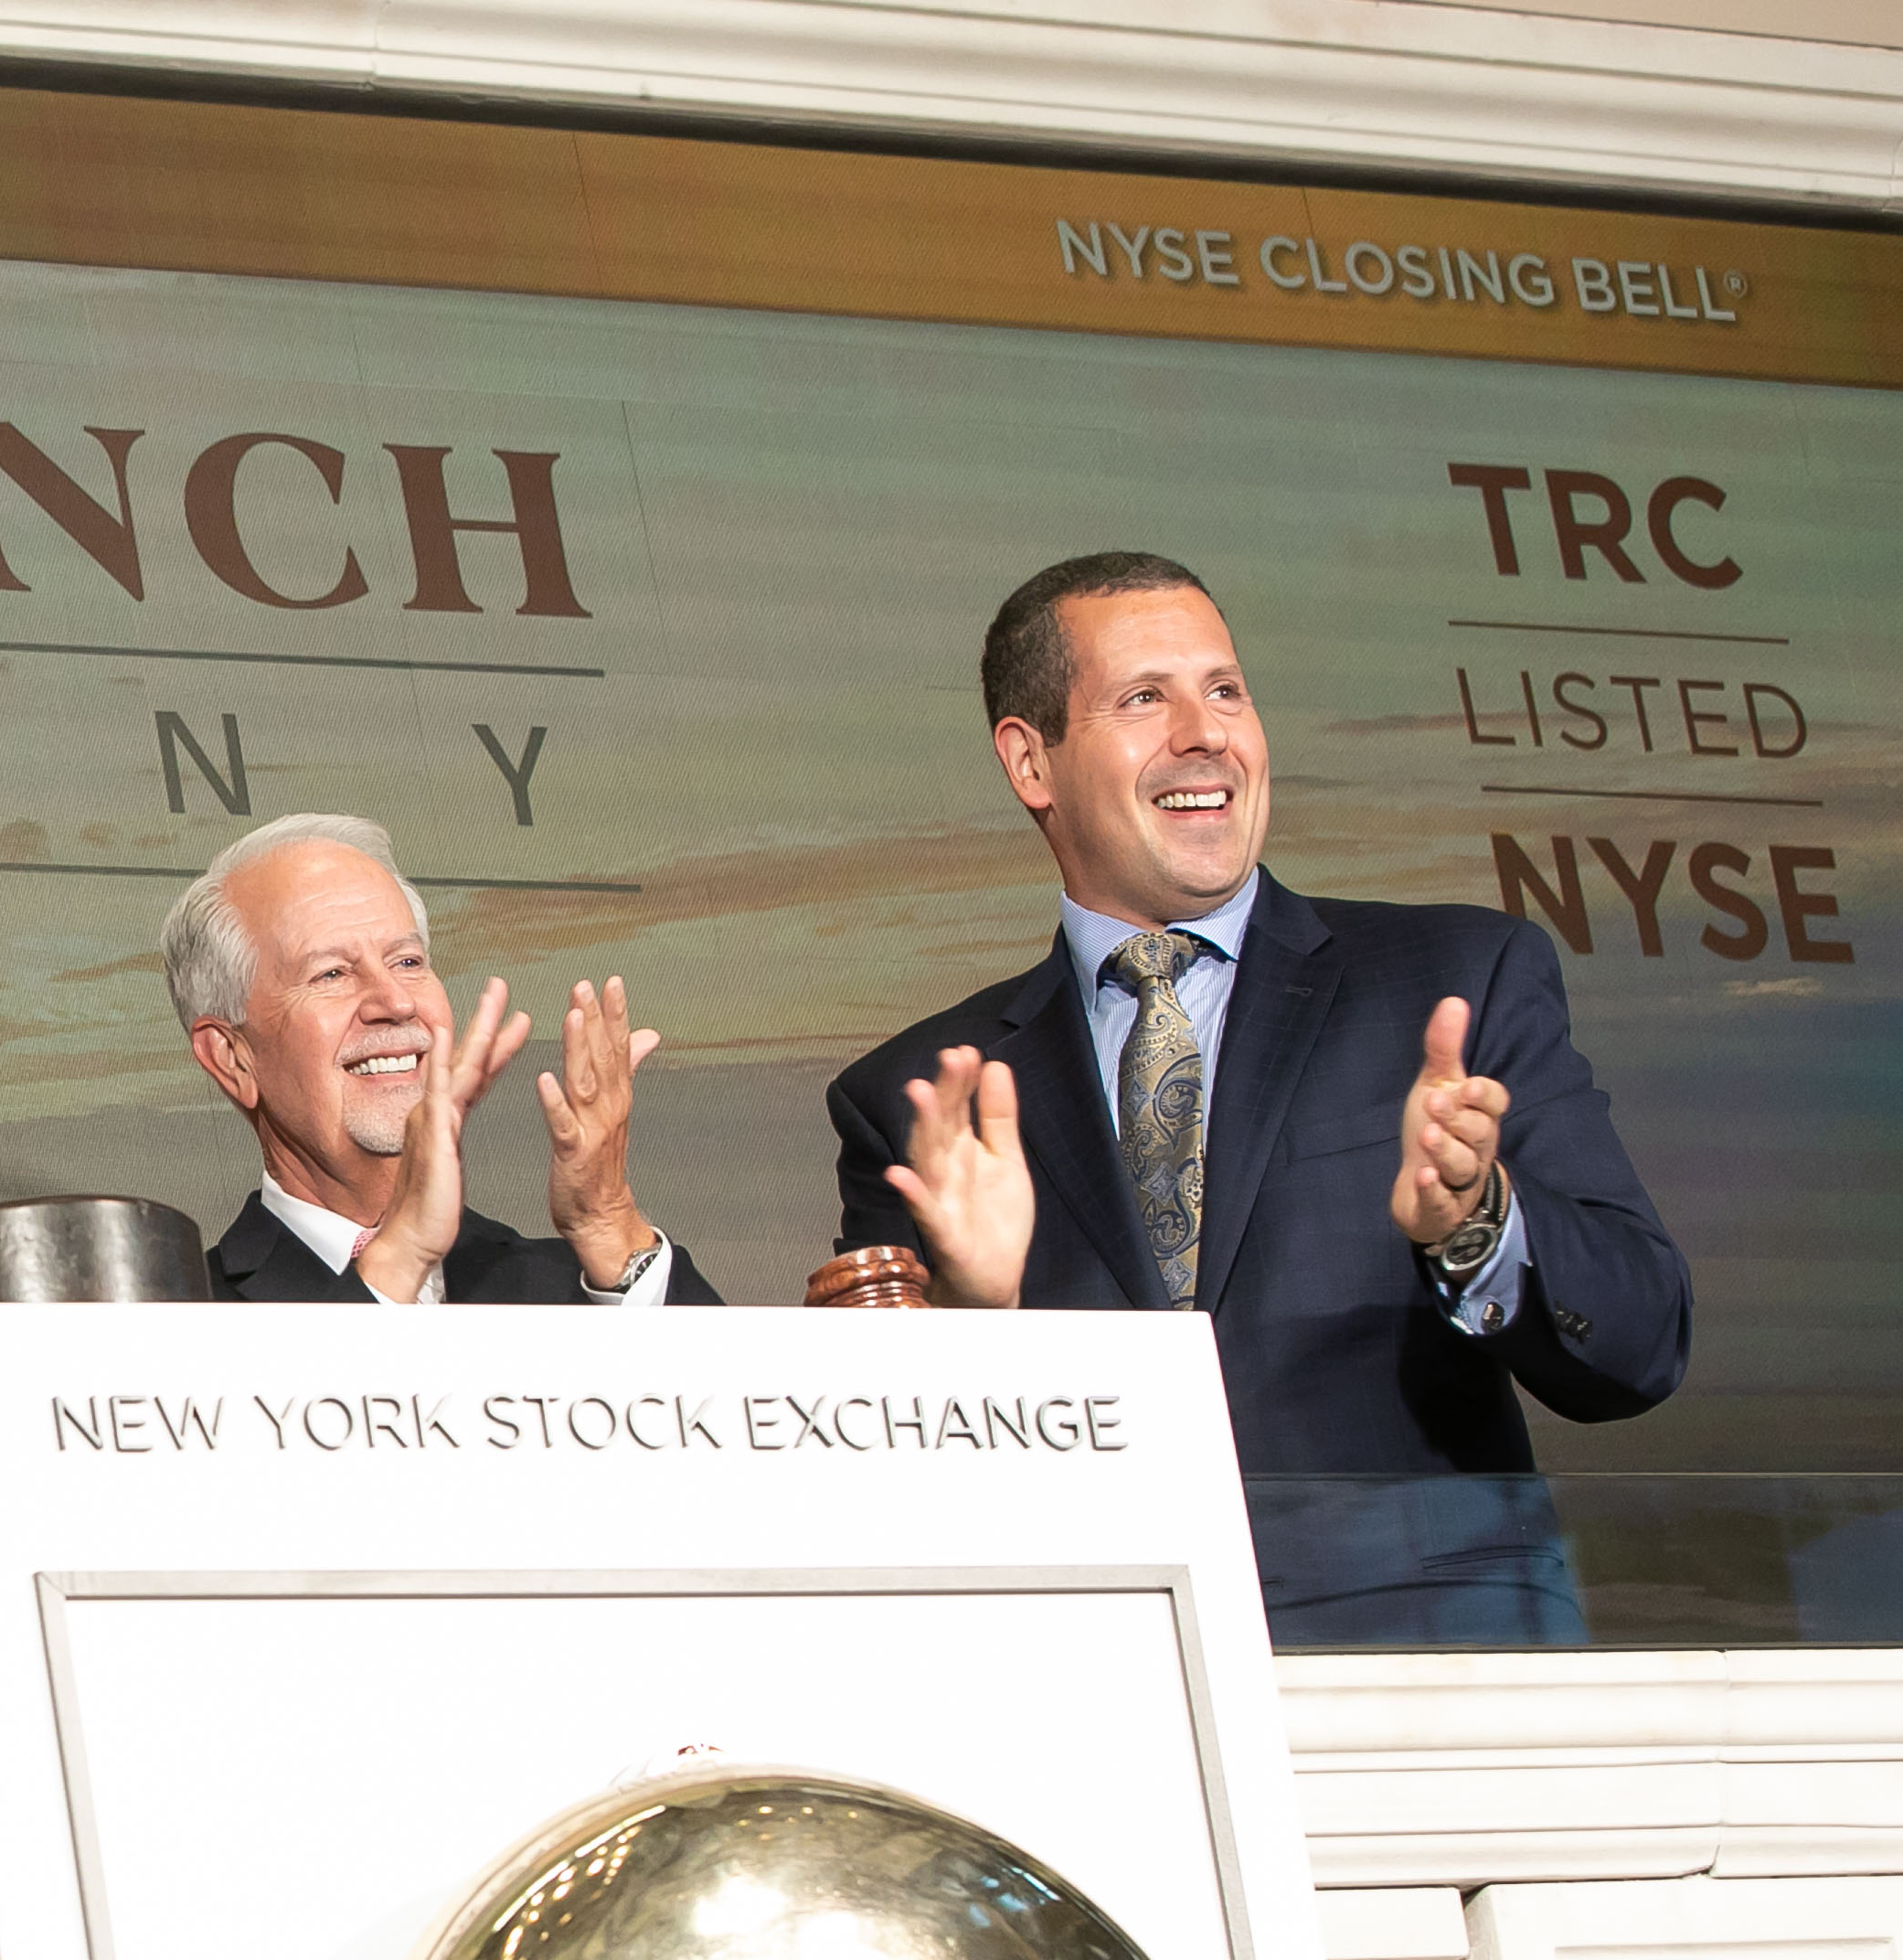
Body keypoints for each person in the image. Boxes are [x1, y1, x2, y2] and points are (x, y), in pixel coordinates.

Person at [828, 552, 1688, 1640]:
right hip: (1096, 1685)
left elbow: (1640, 1344)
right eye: (1146, 698)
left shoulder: (1456, 981)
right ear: (1029, 761)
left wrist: (1480, 1223)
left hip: (1430, 1685)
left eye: (1225, 690)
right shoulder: (918, 1097)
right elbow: (893, 1496)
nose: (1206, 733)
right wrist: (974, 1318)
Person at [165, 813, 716, 1308]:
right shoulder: (173, 1321)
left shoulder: (583, 1291)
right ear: (232, 1057)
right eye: (331, 973)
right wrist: (397, 1256)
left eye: (407, 961)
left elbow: (741, 1415)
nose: (397, 1002)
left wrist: (608, 1222)